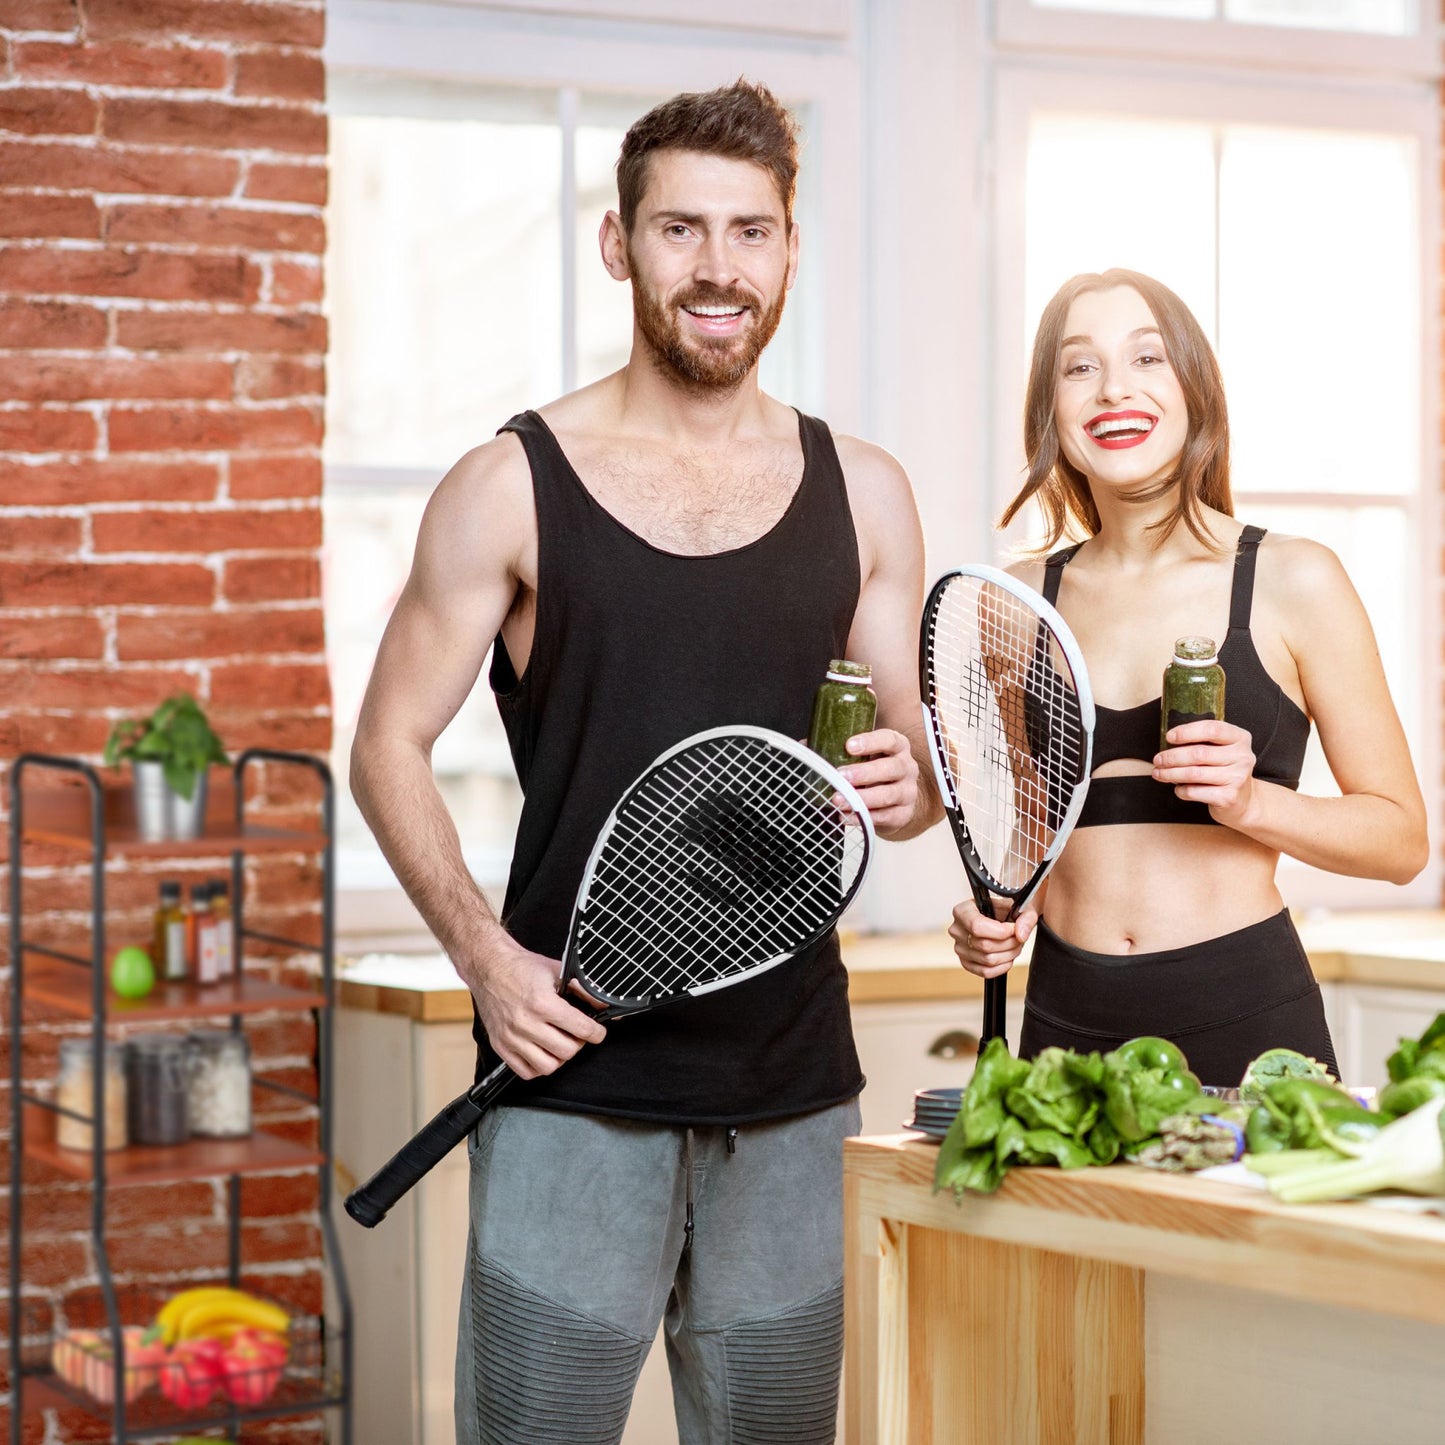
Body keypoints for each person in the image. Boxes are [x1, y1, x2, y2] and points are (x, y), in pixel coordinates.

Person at [349, 80, 939, 1445]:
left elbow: (903, 770)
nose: (718, 268)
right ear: (619, 245)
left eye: (750, 231)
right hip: (571, 1091)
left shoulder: (868, 490)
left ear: (791, 249)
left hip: (794, 1095)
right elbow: (387, 744)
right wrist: (488, 962)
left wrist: (909, 791)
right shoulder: (507, 485)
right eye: (680, 229)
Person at [950, 268, 1428, 1086]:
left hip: (1243, 1014)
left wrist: (1250, 802)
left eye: (1146, 359)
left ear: (1193, 387)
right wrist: (994, 911)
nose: (1112, 390)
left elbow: (1401, 841)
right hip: (1064, 1028)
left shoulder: (1293, 578)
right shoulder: (1015, 603)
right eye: (1078, 366)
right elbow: (1034, 833)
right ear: (1050, 409)